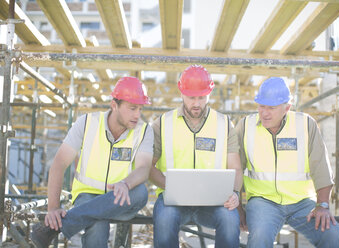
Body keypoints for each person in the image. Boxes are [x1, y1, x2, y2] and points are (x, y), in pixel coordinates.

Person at [31, 77, 154, 248]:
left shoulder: (144, 131)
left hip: (120, 198)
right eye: (132, 108)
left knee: (140, 191)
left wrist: (125, 184)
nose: (137, 115)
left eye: (140, 108)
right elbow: (59, 164)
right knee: (97, 224)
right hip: (87, 196)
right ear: (114, 105)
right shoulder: (87, 123)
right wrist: (53, 208)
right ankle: (75, 218)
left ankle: (54, 229)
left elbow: (143, 169)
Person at [235, 77, 339, 248]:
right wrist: (238, 207)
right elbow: (234, 168)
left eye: (271, 108)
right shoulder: (245, 126)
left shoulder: (305, 124)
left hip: (302, 202)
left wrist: (323, 205)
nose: (264, 113)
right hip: (262, 201)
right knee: (259, 238)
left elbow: (321, 167)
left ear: (287, 108)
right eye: (261, 106)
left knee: (332, 234)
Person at [149, 65, 243, 248]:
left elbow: (236, 167)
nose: (197, 103)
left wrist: (235, 193)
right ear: (181, 92)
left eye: (202, 97)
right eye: (191, 97)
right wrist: (172, 186)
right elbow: (149, 167)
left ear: (210, 92)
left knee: (230, 218)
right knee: (165, 219)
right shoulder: (162, 124)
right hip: (172, 200)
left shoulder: (224, 124)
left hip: (213, 202)